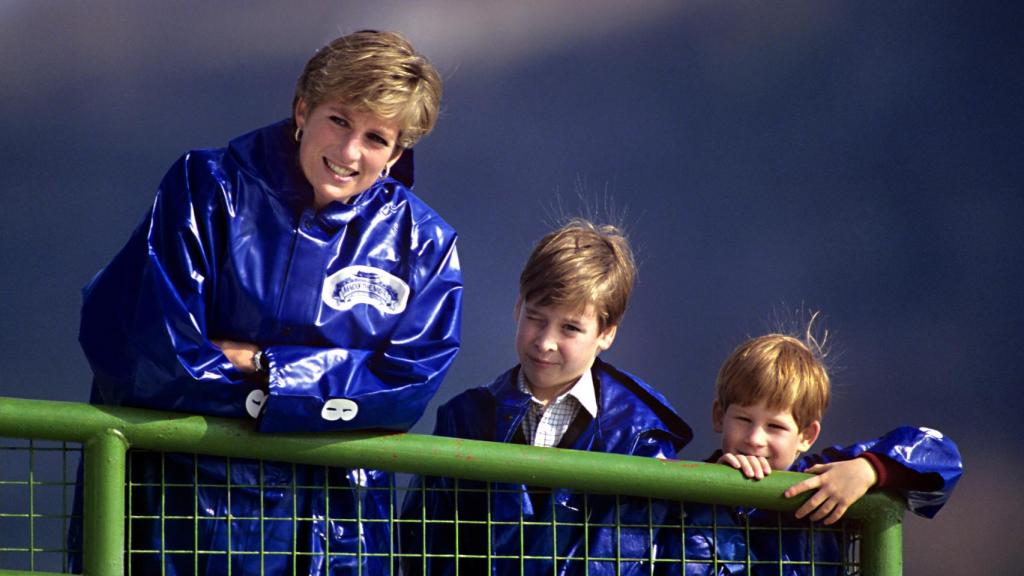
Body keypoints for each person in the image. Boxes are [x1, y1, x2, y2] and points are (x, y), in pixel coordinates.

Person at [72, 30, 462, 575]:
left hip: (336, 540)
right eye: (339, 120)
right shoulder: (207, 188)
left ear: (397, 154)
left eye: (376, 138)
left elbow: (405, 389)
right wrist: (313, 402)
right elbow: (149, 354)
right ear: (302, 107)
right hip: (183, 524)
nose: (349, 153)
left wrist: (266, 371)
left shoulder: (424, 242)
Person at [400, 218, 693, 575]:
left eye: (570, 327)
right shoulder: (464, 417)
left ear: (607, 334)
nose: (545, 342)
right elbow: (424, 548)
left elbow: (656, 557)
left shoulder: (641, 438)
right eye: (536, 318)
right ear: (517, 308)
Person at [671, 329, 963, 575]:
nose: (755, 438)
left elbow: (942, 455)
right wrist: (718, 496)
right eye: (744, 420)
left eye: (775, 426)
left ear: (806, 436)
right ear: (719, 416)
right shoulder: (689, 491)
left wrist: (868, 470)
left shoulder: (825, 476)